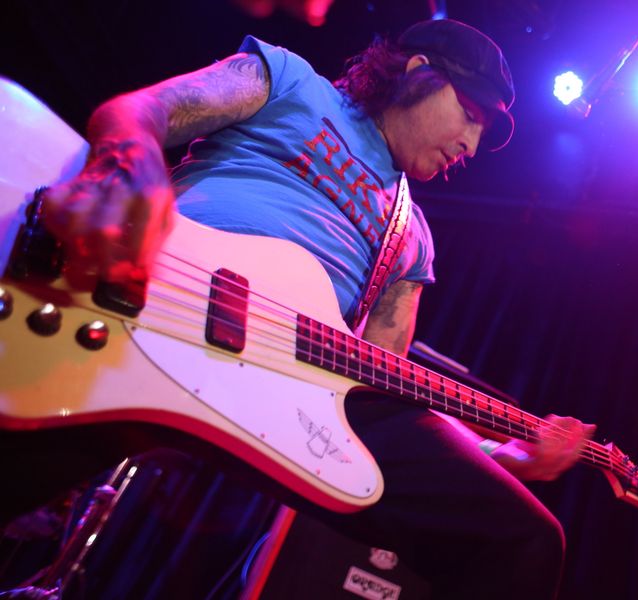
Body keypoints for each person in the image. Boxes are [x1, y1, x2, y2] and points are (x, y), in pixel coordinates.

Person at [42, 18, 595, 598]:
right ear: (418, 73)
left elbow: (374, 386)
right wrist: (127, 171)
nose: (471, 146)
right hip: (136, 300)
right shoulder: (292, 83)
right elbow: (142, 110)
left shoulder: (411, 237)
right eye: (471, 114)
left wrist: (500, 454)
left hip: (280, 382)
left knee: (525, 540)